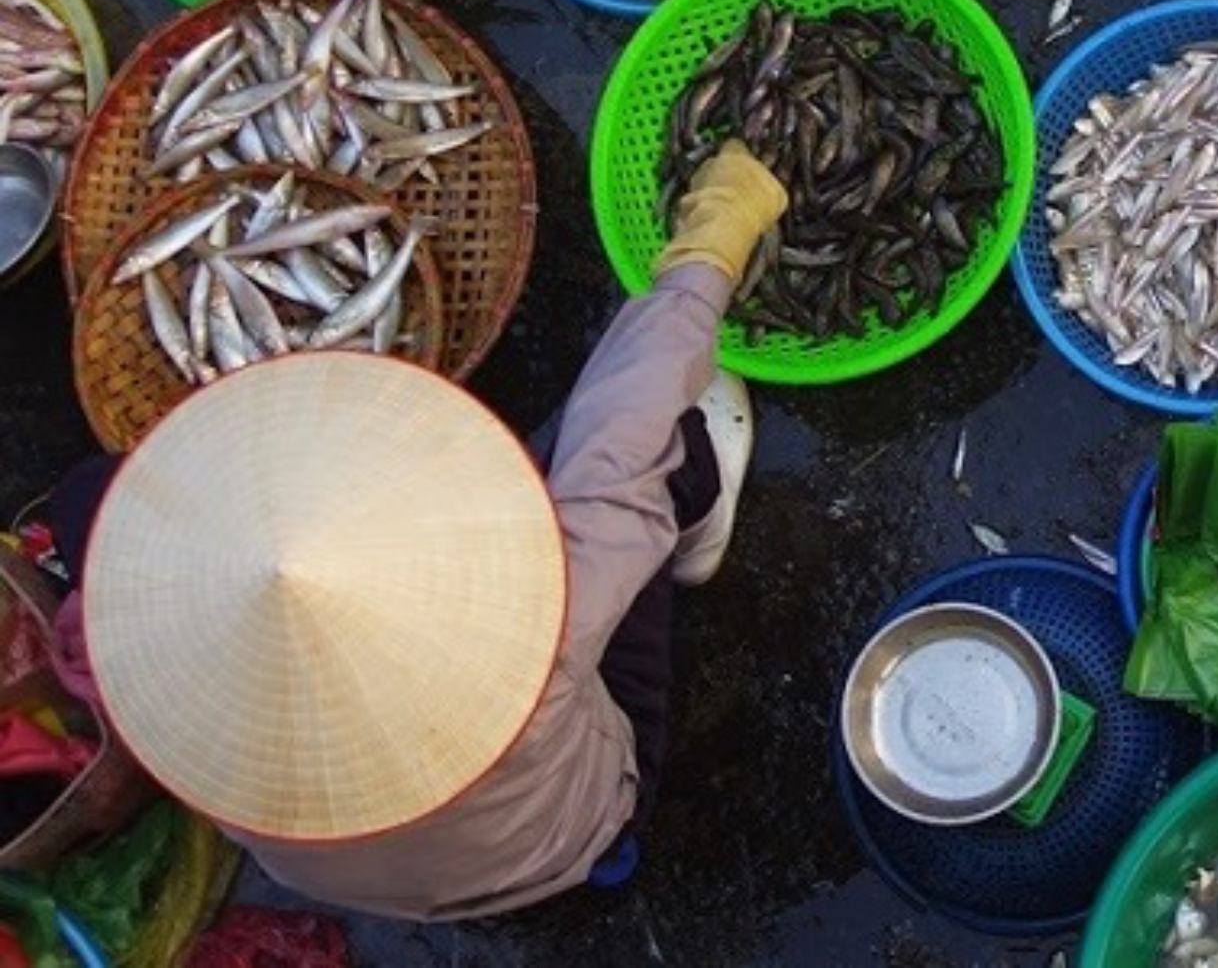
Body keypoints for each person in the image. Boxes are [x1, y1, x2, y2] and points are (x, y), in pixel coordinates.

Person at [49, 140, 786, 920]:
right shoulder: (535, 623)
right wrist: (711, 244)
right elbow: (621, 434)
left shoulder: (181, 720)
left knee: (89, 499)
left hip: (416, 887)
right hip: (577, 825)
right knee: (660, 460)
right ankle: (694, 541)